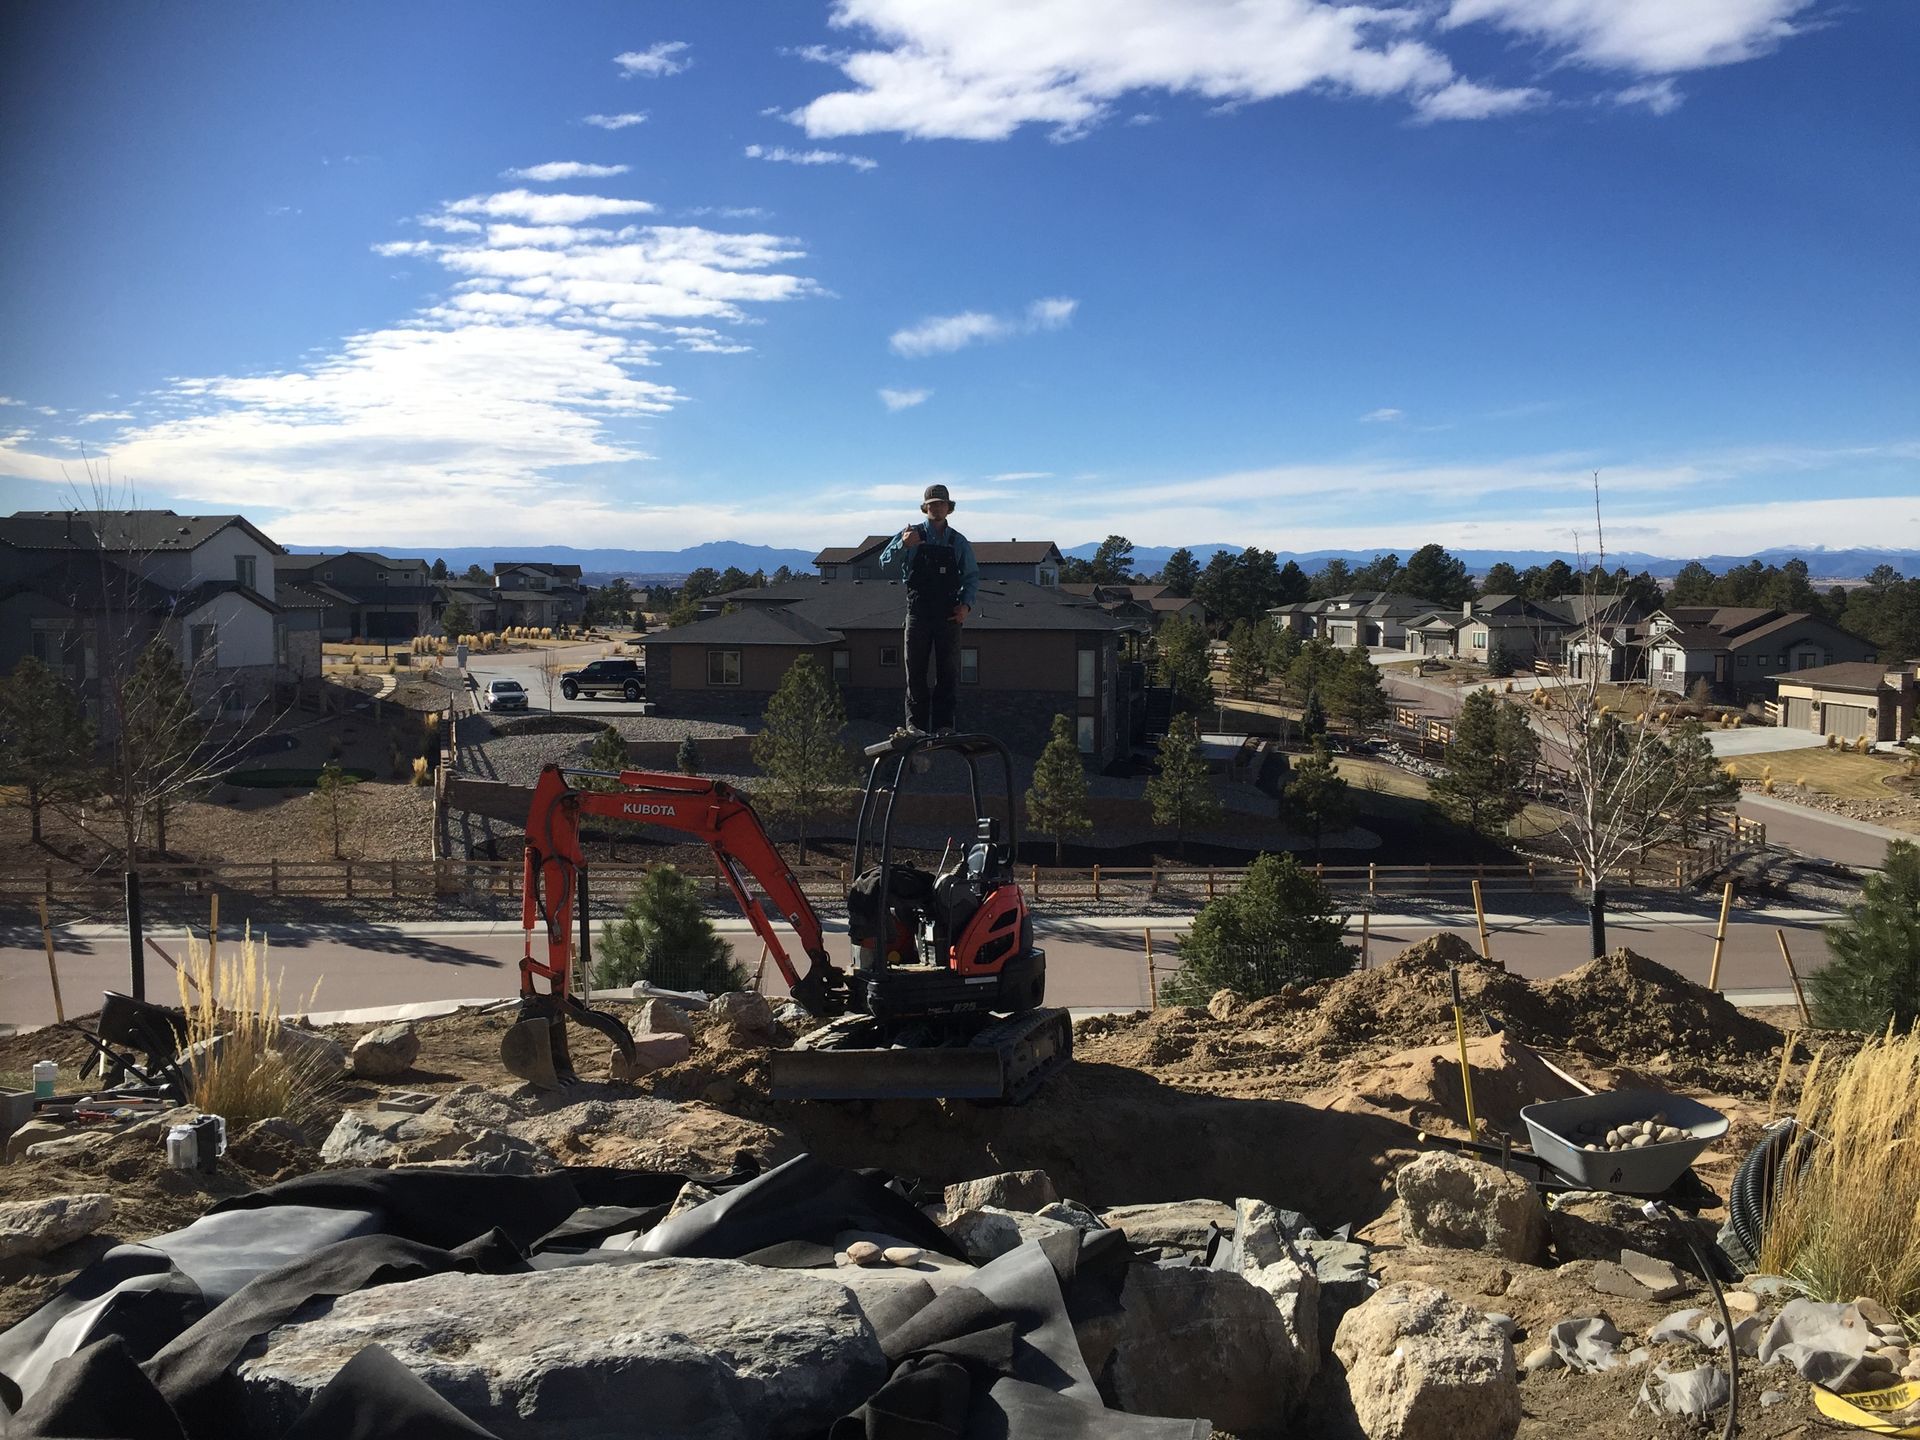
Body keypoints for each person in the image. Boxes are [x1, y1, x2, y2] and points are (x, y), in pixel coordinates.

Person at [879, 483, 979, 734]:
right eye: (933, 504)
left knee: (947, 672)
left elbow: (971, 577)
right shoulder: (910, 535)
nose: (937, 508)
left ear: (949, 508)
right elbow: (884, 564)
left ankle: (945, 725)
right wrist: (903, 545)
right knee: (915, 671)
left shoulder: (958, 541)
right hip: (918, 612)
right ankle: (915, 725)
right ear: (925, 508)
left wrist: (966, 606)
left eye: (942, 504)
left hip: (949, 614)